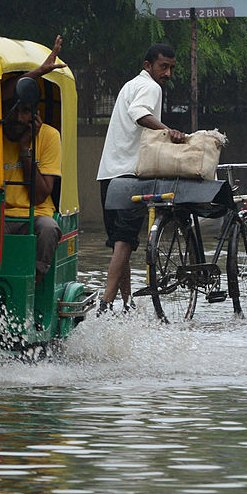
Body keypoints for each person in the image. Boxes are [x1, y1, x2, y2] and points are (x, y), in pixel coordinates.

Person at [96, 43, 186, 314]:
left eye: (171, 68)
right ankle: (106, 303)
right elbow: (139, 114)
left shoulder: (130, 85)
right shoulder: (150, 87)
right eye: (163, 66)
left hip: (108, 175)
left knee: (118, 244)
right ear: (148, 65)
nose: (167, 73)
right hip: (129, 175)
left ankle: (126, 303)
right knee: (124, 240)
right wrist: (168, 130)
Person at [2, 36, 65, 286]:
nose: (18, 118)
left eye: (26, 111)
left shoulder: (49, 136)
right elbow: (1, 92)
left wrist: (25, 148)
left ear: (35, 114)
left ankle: (33, 286)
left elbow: (40, 196)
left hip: (35, 215)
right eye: (14, 110)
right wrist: (39, 72)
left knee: (49, 229)